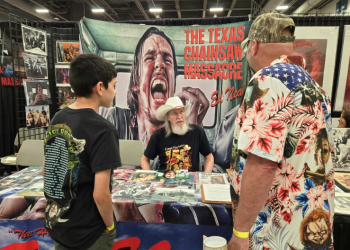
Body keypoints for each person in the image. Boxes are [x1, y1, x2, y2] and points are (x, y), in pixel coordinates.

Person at [227, 13, 334, 250]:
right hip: (307, 227)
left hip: (275, 232)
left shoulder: (268, 80)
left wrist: (240, 232)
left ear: (253, 45)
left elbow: (263, 163)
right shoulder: (312, 85)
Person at [42, 54, 121, 250]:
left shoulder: (57, 117)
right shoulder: (104, 129)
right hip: (89, 233)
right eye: (114, 85)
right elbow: (101, 194)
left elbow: (46, 170)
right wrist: (110, 226)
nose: (115, 90)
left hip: (59, 226)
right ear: (100, 87)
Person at [105, 27, 209, 148]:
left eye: (167, 60)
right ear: (135, 83)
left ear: (173, 87)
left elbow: (209, 165)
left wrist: (191, 136)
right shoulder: (116, 120)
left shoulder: (180, 128)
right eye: (149, 58)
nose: (160, 64)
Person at [140, 96, 213, 172]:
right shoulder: (158, 135)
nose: (179, 117)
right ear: (168, 117)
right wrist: (148, 177)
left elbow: (209, 157)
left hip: (190, 181)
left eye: (181, 112)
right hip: (165, 181)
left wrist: (205, 177)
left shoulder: (197, 131)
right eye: (174, 113)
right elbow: (144, 159)